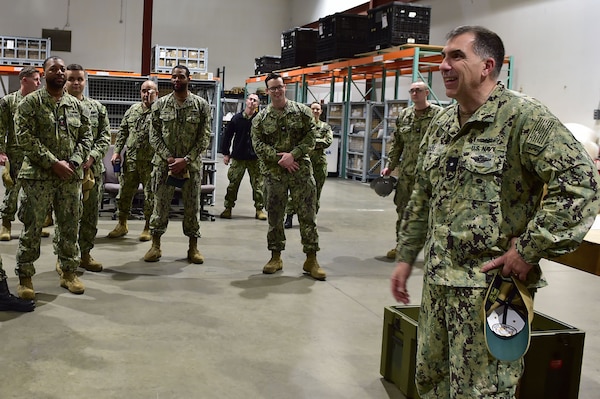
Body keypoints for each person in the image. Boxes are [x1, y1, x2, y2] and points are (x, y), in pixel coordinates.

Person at [390, 26, 600, 398]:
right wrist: (407, 256)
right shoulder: (441, 123)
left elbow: (580, 182)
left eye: (457, 56)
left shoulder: (524, 118)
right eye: (443, 57)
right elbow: (423, 193)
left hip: (490, 292)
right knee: (430, 384)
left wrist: (529, 249)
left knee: (481, 393)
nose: (444, 66)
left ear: (487, 65)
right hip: (438, 286)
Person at [14, 56, 93, 299]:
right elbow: (24, 137)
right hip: (38, 177)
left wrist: (74, 162)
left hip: (69, 177)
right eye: (53, 69)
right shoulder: (30, 103)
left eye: (62, 69)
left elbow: (87, 136)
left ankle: (69, 272)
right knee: (33, 227)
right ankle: (26, 277)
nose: (59, 73)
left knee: (70, 225)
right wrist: (52, 163)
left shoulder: (78, 106)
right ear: (44, 73)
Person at [251, 72, 325, 280]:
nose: (277, 91)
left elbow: (312, 136)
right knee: (275, 216)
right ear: (267, 91)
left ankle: (311, 259)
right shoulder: (260, 118)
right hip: (274, 175)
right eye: (273, 88)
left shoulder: (302, 111)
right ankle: (275, 257)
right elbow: (257, 144)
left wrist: (294, 155)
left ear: (285, 87)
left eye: (280, 87)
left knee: (307, 215)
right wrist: (279, 158)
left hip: (300, 171)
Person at [144, 65, 211, 264]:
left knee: (192, 207)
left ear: (188, 79)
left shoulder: (200, 105)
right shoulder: (160, 105)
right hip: (165, 167)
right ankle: (155, 246)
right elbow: (153, 135)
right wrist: (169, 158)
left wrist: (187, 160)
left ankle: (193, 247)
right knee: (160, 206)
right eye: (173, 77)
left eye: (180, 76)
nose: (176, 80)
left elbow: (204, 137)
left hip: (191, 168)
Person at [381, 81, 442, 259]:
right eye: (412, 91)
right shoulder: (405, 115)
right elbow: (397, 143)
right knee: (403, 209)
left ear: (426, 93)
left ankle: (433, 251)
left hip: (430, 174)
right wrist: (390, 166)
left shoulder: (439, 115)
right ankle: (401, 246)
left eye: (418, 90)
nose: (415, 93)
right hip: (407, 174)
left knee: (432, 213)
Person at [63, 63, 111, 272]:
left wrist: (91, 157)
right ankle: (63, 258)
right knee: (67, 218)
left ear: (85, 81)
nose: (75, 83)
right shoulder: (58, 106)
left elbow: (105, 137)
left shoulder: (97, 108)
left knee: (90, 216)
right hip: (66, 172)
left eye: (79, 79)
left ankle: (85, 254)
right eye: (71, 79)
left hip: (92, 172)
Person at [0, 66, 51, 240]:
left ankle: (33, 226)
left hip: (35, 154)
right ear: (24, 80)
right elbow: (1, 128)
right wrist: (1, 151)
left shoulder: (41, 102)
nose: (39, 83)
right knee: (12, 191)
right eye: (36, 79)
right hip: (15, 152)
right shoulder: (8, 101)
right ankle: (6, 225)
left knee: (34, 193)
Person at [107, 79, 158, 241]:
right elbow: (122, 132)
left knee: (150, 196)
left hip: (151, 163)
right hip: (131, 161)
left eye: (150, 91)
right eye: (143, 90)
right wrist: (116, 152)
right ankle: (122, 224)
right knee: (124, 194)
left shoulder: (161, 111)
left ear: (156, 94)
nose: (146, 94)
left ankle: (148, 227)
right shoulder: (132, 110)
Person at [284, 101, 333, 229]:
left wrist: (309, 143)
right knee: (296, 191)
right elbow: (296, 141)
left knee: (316, 192)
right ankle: (289, 217)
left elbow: (328, 141)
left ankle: (311, 219)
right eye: (313, 109)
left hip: (319, 165)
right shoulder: (303, 126)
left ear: (321, 111)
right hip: (303, 163)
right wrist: (312, 143)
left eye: (318, 109)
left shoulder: (325, 127)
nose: (315, 111)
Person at [219, 93, 267, 220]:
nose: (252, 102)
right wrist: (226, 153)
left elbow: (266, 138)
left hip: (255, 158)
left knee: (258, 186)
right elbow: (227, 136)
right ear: (246, 101)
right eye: (250, 99)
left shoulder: (260, 120)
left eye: (255, 100)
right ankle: (228, 208)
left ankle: (259, 209)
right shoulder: (236, 119)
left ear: (258, 104)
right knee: (233, 184)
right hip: (238, 157)